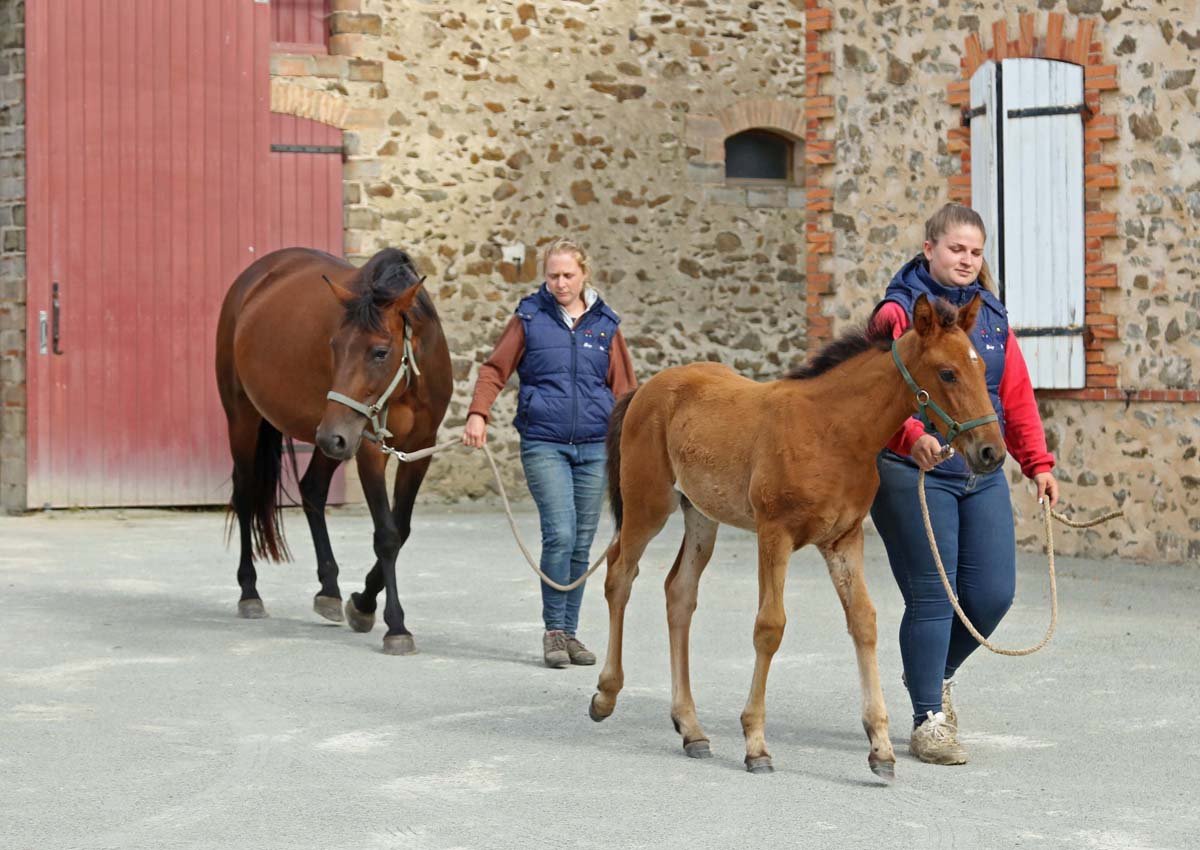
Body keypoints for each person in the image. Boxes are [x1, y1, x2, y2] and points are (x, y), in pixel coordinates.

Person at [867, 203, 1061, 765]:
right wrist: (910, 436)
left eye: (976, 252)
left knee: (992, 595)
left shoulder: (988, 315)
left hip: (979, 471)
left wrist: (1037, 462)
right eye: (957, 249)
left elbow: (1012, 395)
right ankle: (928, 718)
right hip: (914, 472)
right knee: (933, 595)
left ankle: (932, 673)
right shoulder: (898, 314)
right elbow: (872, 392)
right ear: (929, 248)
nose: (968, 260)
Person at [463, 238, 637, 668]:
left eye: (568, 275)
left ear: (584, 274)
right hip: (544, 442)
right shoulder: (529, 317)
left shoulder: (605, 324)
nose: (560, 283)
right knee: (560, 533)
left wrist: (633, 445)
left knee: (582, 541)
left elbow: (625, 390)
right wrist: (478, 413)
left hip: (595, 447)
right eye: (553, 275)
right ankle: (554, 631)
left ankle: (571, 633)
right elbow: (495, 369)